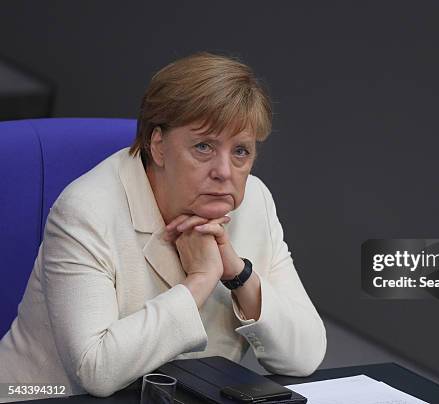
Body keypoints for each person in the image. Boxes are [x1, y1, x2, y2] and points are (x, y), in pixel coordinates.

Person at [0, 52, 327, 400]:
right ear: (158, 145)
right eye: (203, 147)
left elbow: (305, 355)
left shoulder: (255, 203)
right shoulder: (86, 211)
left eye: (241, 152)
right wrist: (200, 281)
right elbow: (95, 369)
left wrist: (238, 274)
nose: (225, 172)